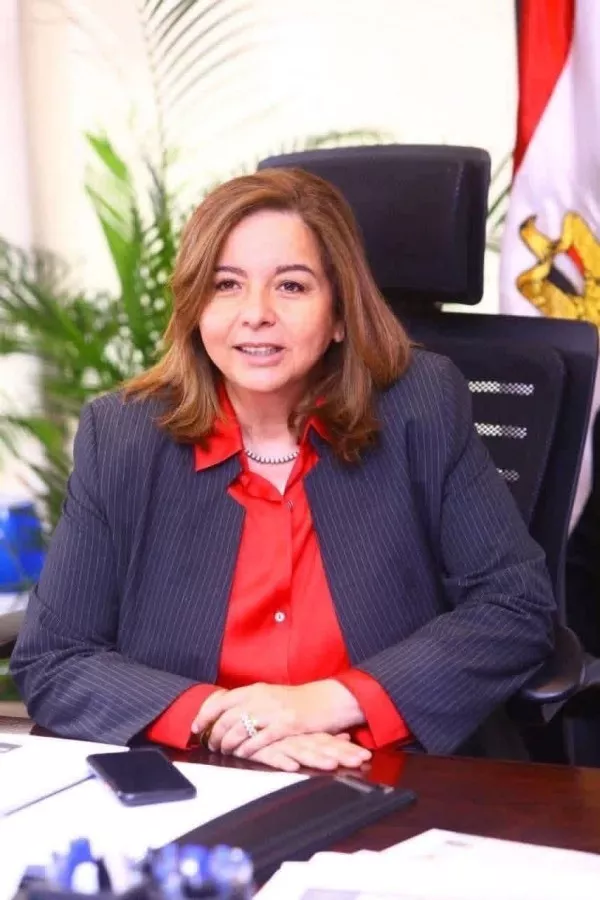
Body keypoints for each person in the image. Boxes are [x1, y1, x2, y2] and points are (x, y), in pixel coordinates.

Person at [10, 167, 556, 773]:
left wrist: (324, 703)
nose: (256, 313)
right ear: (195, 309)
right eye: (226, 285)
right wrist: (226, 721)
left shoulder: (420, 406)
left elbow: (515, 606)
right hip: (202, 776)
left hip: (391, 768)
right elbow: (55, 659)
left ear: (340, 312)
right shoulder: (123, 436)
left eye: (291, 286)